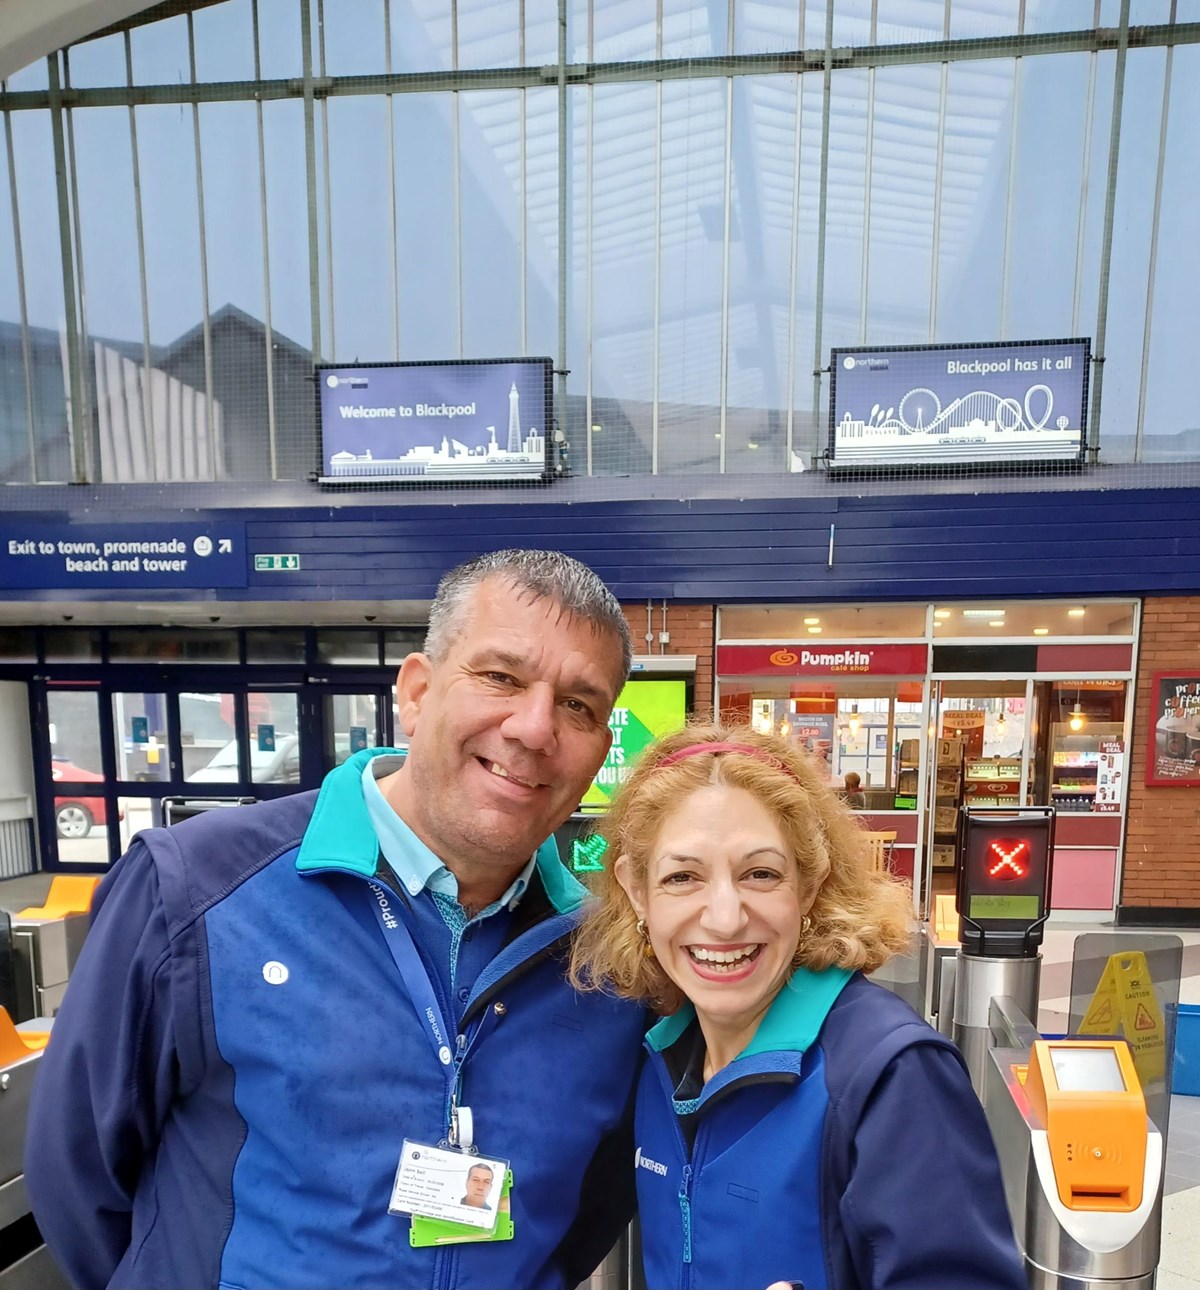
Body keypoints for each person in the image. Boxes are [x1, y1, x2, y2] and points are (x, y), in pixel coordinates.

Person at [27, 549, 647, 1290]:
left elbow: (584, 1214)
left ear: (602, 752)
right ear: (415, 694)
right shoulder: (194, 892)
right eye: (500, 677)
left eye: (579, 705)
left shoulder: (608, 965)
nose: (535, 727)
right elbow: (78, 1177)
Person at [571, 724, 1026, 1290]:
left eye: (760, 874)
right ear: (638, 892)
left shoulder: (892, 1077)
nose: (724, 917)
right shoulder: (658, 1059)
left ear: (809, 884)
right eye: (682, 877)